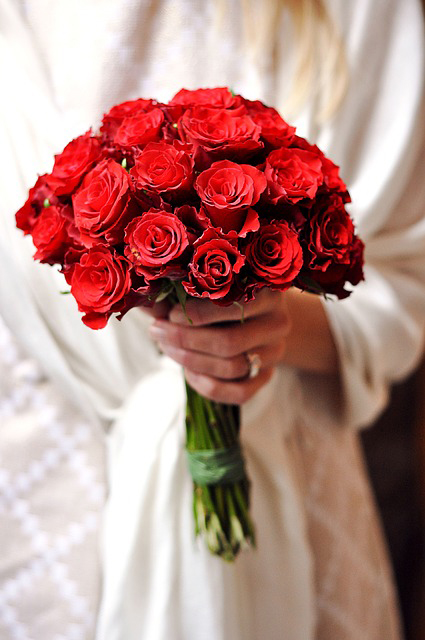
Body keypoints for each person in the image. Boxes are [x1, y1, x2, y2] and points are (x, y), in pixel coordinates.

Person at [1, 1, 425, 639]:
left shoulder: (356, 11)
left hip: (291, 468)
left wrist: (271, 322)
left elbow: (402, 280)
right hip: (46, 487)